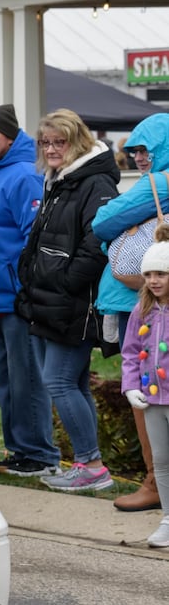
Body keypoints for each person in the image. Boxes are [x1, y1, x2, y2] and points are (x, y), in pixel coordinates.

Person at [15, 109, 119, 492]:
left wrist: (65, 282)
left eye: (60, 141)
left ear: (77, 142)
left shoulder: (94, 183)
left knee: (58, 382)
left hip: (71, 303)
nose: (52, 148)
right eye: (46, 142)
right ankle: (87, 462)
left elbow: (98, 242)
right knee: (73, 384)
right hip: (50, 299)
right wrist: (31, 275)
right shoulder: (58, 181)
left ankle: (91, 465)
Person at [0, 104, 57, 478]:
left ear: (9, 135)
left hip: (19, 298)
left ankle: (39, 454)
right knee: (6, 379)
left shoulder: (22, 175)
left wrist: (24, 290)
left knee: (27, 379)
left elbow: (31, 239)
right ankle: (19, 450)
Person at [91, 112, 169, 511]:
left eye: (147, 149)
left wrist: (118, 238)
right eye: (134, 150)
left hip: (142, 301)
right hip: (144, 298)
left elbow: (102, 222)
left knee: (147, 391)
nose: (139, 157)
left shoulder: (161, 182)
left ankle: (155, 481)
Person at [120, 233, 169, 548]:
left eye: (161, 274)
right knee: (162, 460)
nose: (153, 280)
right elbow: (129, 352)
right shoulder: (142, 310)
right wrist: (130, 386)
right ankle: (168, 518)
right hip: (151, 399)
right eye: (148, 274)